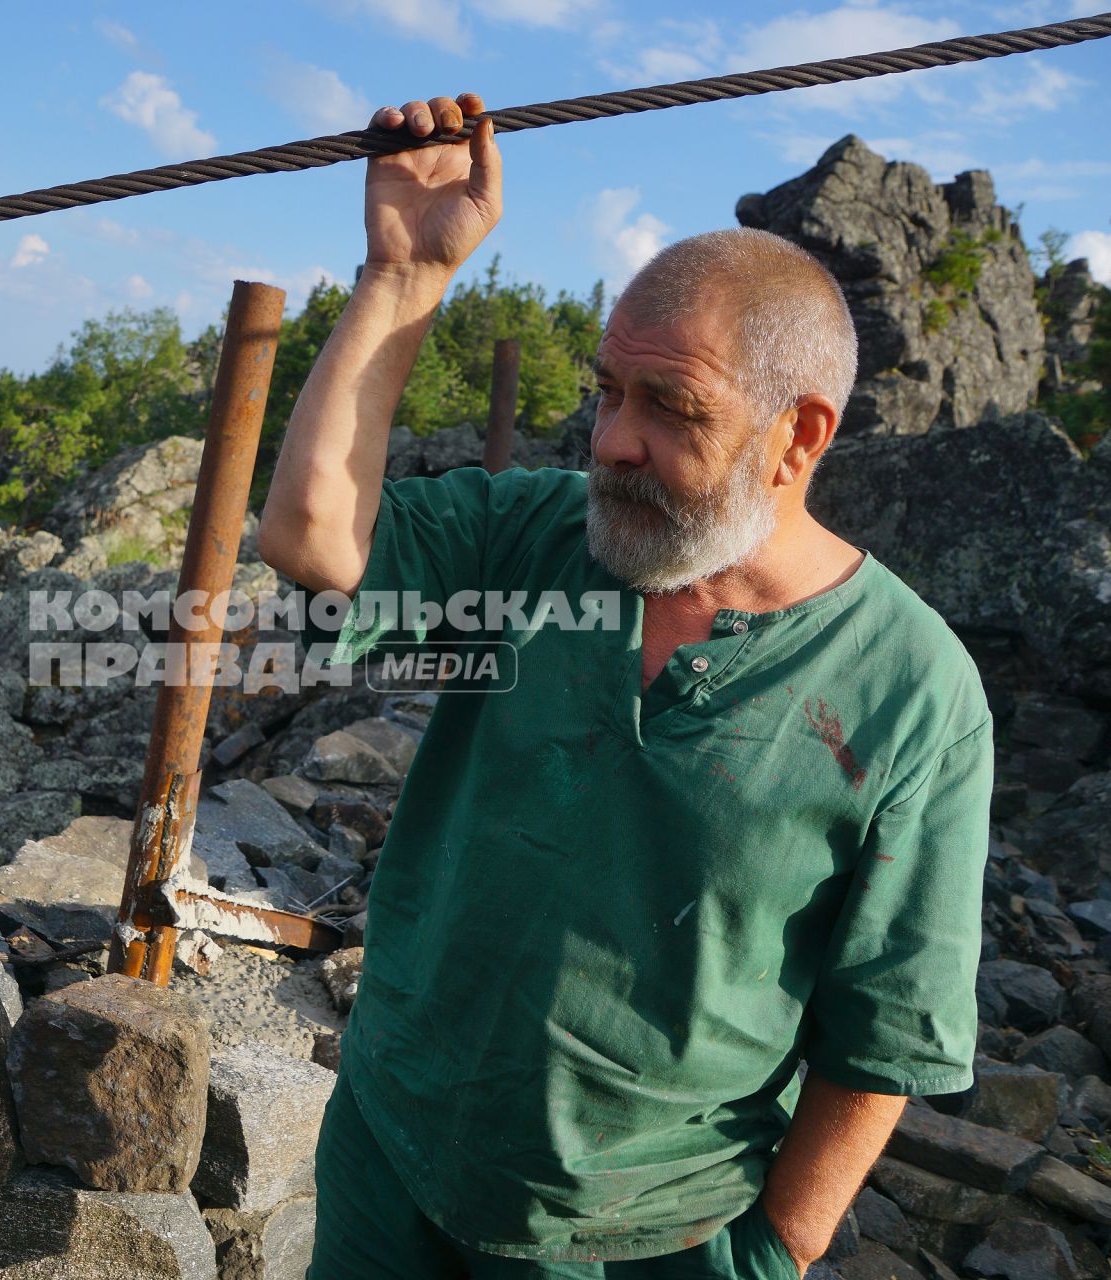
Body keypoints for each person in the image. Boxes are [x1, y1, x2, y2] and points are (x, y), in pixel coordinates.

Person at [257, 92, 994, 1279]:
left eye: (670, 407)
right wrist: (401, 278)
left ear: (798, 436)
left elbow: (888, 1028)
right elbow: (311, 536)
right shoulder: (540, 537)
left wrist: (773, 1251)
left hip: (644, 1239)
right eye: (609, 389)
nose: (610, 439)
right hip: (390, 1162)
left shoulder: (913, 691)